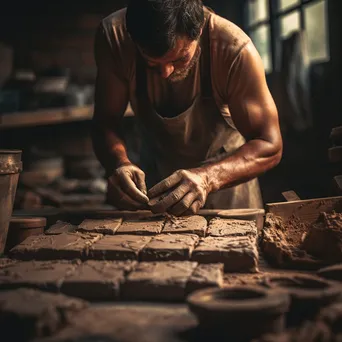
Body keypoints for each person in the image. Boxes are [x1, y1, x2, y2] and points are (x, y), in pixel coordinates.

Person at [92, 0, 283, 216]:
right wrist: (118, 163)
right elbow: (105, 121)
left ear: (199, 30)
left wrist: (208, 177)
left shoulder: (234, 49)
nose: (166, 72)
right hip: (156, 183)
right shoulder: (114, 37)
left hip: (227, 188)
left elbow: (270, 145)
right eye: (152, 62)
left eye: (180, 59)